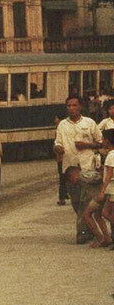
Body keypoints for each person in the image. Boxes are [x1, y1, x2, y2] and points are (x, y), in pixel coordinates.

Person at [54, 95, 103, 244]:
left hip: (87, 167)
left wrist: (87, 145)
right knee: (76, 201)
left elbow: (101, 142)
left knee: (85, 201)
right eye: (69, 106)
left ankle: (82, 232)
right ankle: (88, 229)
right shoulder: (62, 125)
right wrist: (58, 149)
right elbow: (57, 142)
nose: (71, 108)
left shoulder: (89, 123)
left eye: (74, 105)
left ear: (81, 107)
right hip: (70, 168)